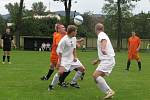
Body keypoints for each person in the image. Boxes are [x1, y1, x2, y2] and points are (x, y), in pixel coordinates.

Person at [48, 25, 85, 91]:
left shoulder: (73, 38)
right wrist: (59, 62)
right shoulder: (64, 40)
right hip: (64, 59)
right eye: (76, 31)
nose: (76, 33)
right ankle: (51, 86)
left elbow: (74, 48)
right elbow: (60, 52)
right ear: (72, 32)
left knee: (82, 69)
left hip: (72, 58)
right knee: (60, 72)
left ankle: (73, 83)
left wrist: (75, 56)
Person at [92, 23, 115, 99]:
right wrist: (97, 60)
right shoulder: (103, 34)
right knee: (96, 79)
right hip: (107, 60)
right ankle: (108, 94)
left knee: (95, 75)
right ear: (103, 28)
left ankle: (109, 91)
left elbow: (103, 41)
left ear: (96, 29)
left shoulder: (101, 35)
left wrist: (103, 48)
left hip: (107, 60)